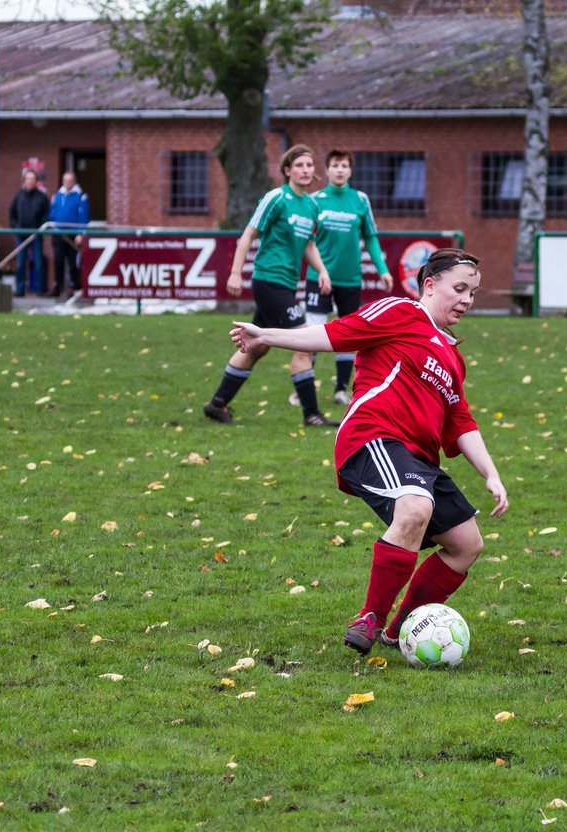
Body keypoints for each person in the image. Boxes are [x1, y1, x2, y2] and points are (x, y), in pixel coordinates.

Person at [230, 247, 509, 654]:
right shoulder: (400, 312)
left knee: (467, 544)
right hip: (373, 437)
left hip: (417, 459)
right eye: (460, 289)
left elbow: (461, 420)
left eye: (473, 293)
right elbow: (333, 334)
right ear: (430, 286)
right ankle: (370, 618)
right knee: (414, 508)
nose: (467, 300)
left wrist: (491, 473)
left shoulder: (452, 356)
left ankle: (400, 632)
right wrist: (267, 334)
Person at [203, 144, 337, 427]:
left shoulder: (312, 206)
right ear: (287, 171)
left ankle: (217, 404)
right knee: (305, 343)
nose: (305, 170)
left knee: (256, 346)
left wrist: (322, 271)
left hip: (286, 285)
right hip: (268, 281)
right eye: (299, 165)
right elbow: (248, 234)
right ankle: (311, 414)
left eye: (309, 166)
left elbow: (309, 245)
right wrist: (236, 272)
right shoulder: (276, 198)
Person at [295, 149, 394, 407]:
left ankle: (341, 389)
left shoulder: (360, 199)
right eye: (335, 165)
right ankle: (303, 387)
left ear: (350, 171)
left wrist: (382, 269)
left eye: (344, 166)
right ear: (327, 170)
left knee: (349, 334)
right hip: (320, 278)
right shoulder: (315, 200)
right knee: (312, 331)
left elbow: (371, 237)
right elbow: (306, 240)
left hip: (350, 279)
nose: (340, 170)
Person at [8, 168, 49, 296]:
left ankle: (39, 289)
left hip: (35, 235)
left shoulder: (41, 197)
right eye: (28, 179)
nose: (30, 181)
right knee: (20, 263)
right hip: (21, 235)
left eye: (33, 179)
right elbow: (12, 214)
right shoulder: (18, 196)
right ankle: (20, 289)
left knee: (38, 262)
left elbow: (46, 215)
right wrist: (16, 227)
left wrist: (40, 228)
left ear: (36, 181)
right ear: (24, 181)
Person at [48, 171, 90, 297]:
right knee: (58, 261)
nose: (67, 183)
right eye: (65, 180)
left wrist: (80, 234)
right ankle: (57, 286)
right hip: (59, 234)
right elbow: (52, 214)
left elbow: (84, 217)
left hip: (73, 235)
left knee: (73, 261)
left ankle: (73, 286)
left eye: (70, 180)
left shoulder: (80, 196)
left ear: (74, 181)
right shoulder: (57, 196)